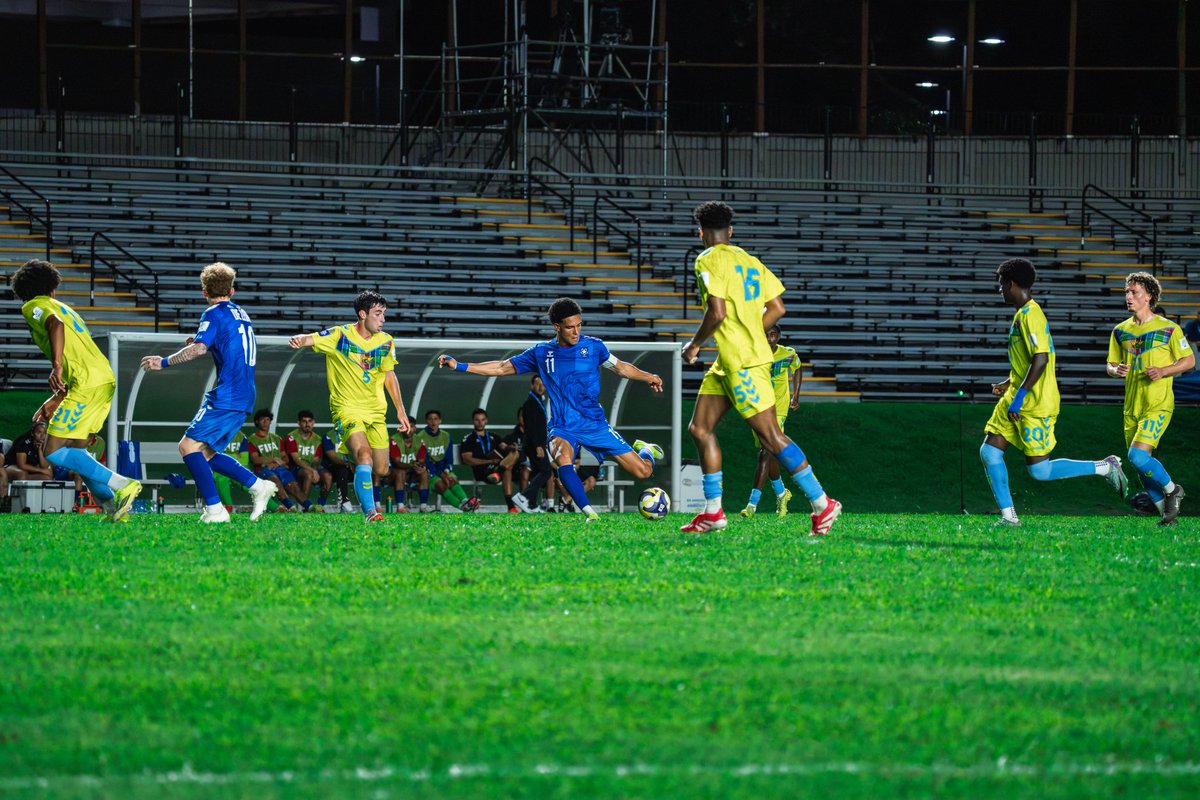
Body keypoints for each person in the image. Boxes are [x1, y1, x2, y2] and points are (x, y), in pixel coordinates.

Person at [682, 202, 840, 535]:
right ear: (731, 231)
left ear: (701, 232)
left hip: (744, 363)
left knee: (771, 437)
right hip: (728, 362)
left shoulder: (706, 259)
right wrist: (753, 331)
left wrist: (694, 344)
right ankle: (713, 513)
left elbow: (717, 313)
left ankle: (822, 503)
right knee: (699, 428)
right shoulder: (750, 261)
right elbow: (777, 307)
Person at [439, 297, 664, 522]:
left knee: (643, 472)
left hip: (594, 424)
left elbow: (622, 368)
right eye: (569, 327)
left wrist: (649, 377)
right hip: (563, 426)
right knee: (561, 458)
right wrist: (459, 365)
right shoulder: (541, 353)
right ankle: (590, 515)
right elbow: (501, 366)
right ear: (557, 326)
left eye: (579, 325)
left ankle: (645, 450)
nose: (576, 331)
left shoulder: (594, 347)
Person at [978, 259, 1128, 526]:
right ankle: (1009, 518)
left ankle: (1105, 467)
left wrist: (1020, 397)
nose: (999, 290)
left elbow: (1041, 359)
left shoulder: (1031, 314)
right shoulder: (1022, 314)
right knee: (989, 452)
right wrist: (1007, 384)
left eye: (1001, 284)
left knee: (1040, 471)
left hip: (1035, 403)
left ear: (1011, 284)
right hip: (1017, 396)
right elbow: (1026, 362)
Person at [139, 262, 276, 523]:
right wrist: (201, 341)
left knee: (187, 447)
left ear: (204, 292)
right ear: (232, 290)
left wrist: (164, 361)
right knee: (205, 454)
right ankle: (258, 486)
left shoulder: (212, 313)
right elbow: (226, 343)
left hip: (229, 393)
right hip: (244, 392)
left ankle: (216, 510)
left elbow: (200, 349)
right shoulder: (241, 313)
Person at [12, 259, 143, 521]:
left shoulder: (33, 306)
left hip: (85, 382)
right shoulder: (63, 306)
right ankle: (113, 508)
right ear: (52, 288)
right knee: (77, 453)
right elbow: (77, 353)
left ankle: (123, 484)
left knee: (52, 451)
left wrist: (56, 367)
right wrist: (57, 397)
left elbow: (55, 325)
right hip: (101, 378)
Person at [288, 290, 413, 523]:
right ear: (362, 314)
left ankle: (354, 465)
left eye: (384, 314)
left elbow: (389, 375)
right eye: (378, 314)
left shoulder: (386, 340)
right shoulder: (339, 335)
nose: (383, 319)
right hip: (347, 408)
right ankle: (370, 512)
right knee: (364, 455)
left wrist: (401, 409)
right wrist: (299, 339)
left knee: (382, 469)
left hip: (376, 411)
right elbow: (311, 338)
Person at [1107, 271, 1195, 526]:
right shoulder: (1120, 331)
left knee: (1137, 457)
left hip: (1157, 404)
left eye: (1134, 292)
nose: (1128, 296)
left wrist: (1164, 371)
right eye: (1127, 291)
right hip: (1131, 407)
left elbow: (1189, 360)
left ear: (1149, 296)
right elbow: (1110, 365)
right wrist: (1116, 370)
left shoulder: (1169, 328)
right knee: (1140, 466)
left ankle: (1172, 491)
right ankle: (1166, 517)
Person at [740, 324, 802, 519]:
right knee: (770, 453)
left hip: (779, 410)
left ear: (779, 336)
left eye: (773, 334)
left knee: (765, 452)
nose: (769, 338)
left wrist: (796, 395)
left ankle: (752, 504)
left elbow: (798, 368)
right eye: (765, 334)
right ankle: (782, 494)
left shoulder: (788, 353)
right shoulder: (754, 354)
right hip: (758, 408)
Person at [415, 409, 479, 512]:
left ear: (440, 421)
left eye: (436, 419)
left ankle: (466, 501)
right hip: (428, 472)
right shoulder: (420, 437)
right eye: (430, 419)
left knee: (452, 479)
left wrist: (446, 472)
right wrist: (441, 474)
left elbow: (449, 458)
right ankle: (463, 507)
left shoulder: (446, 436)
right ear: (426, 421)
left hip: (443, 470)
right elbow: (425, 461)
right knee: (441, 485)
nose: (433, 422)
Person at [248, 409, 311, 512]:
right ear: (257, 422)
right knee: (275, 481)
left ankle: (310, 507)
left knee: (293, 486)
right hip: (263, 470)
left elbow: (285, 458)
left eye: (268, 419)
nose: (265, 422)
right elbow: (255, 460)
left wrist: (277, 463)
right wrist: (273, 460)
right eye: (262, 419)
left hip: (278, 468)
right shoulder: (252, 439)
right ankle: (291, 508)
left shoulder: (277, 438)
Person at [460, 407, 522, 510]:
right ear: (473, 421)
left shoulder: (493, 436)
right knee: (507, 470)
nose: (480, 423)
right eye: (477, 420)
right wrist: (489, 461)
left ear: (486, 421)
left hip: (497, 467)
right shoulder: (468, 439)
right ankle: (511, 506)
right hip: (482, 470)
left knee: (515, 454)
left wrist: (510, 448)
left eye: (483, 420)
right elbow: (467, 459)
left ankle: (511, 507)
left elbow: (503, 446)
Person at [283, 409, 326, 511]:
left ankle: (320, 505)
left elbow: (316, 460)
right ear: (299, 423)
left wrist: (315, 470)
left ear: (313, 423)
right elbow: (296, 460)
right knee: (308, 474)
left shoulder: (317, 439)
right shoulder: (291, 437)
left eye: (310, 421)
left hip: (310, 467)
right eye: (304, 421)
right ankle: (305, 506)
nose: (307, 424)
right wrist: (313, 471)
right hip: (294, 468)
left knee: (327, 476)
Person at [387, 417, 426, 512]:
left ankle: (423, 507)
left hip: (411, 472)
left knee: (424, 473)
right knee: (400, 472)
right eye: (405, 426)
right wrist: (412, 465)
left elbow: (421, 460)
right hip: (393, 474)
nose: (409, 429)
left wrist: (420, 467)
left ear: (415, 428)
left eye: (411, 426)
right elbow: (397, 462)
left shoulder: (419, 440)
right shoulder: (394, 440)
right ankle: (400, 507)